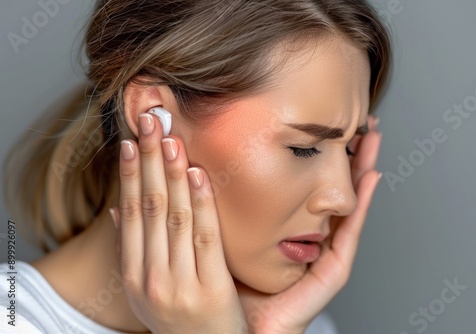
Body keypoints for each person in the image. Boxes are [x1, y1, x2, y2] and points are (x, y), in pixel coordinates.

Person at [1, 0, 391, 333]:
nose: (344, 199)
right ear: (154, 116)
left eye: (350, 150)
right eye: (303, 148)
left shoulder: (299, 322)